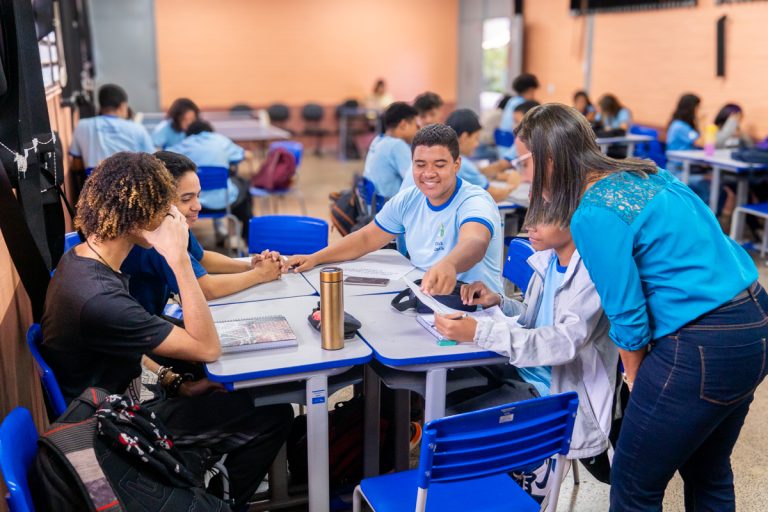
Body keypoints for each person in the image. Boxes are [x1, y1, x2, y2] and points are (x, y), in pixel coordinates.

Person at [515, 103, 766, 511]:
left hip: (702, 340)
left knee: (633, 485)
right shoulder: (647, 174)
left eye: (522, 161)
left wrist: (635, 376)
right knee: (709, 470)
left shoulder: (593, 212)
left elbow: (627, 315)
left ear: (548, 160)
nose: (520, 174)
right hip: (754, 322)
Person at [40, 152, 293, 508]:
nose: (175, 215)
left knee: (232, 396)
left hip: (116, 407)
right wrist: (176, 258)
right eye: (167, 207)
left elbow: (127, 339)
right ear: (138, 215)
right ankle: (216, 502)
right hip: (116, 430)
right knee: (273, 414)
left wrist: (173, 381)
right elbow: (208, 348)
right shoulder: (99, 298)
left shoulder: (82, 259)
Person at [434, 220, 618, 484]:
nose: (529, 225)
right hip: (521, 370)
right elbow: (535, 322)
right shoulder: (547, 262)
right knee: (446, 385)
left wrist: (479, 332)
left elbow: (561, 343)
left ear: (575, 219)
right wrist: (500, 302)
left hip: (552, 392)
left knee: (453, 423)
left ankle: (530, 468)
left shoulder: (591, 274)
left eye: (543, 217)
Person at [288, 123, 503, 294]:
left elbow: (475, 241)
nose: (428, 173)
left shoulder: (474, 200)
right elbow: (366, 239)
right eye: (420, 165)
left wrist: (449, 264)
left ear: (456, 165)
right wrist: (315, 258)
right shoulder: (409, 199)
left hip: (477, 310)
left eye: (439, 165)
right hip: (427, 299)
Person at [121, 151, 283, 315]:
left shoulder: (174, 221)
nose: (197, 206)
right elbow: (205, 289)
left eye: (198, 196)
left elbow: (201, 258)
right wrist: (260, 274)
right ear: (156, 200)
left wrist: (249, 266)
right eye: (186, 199)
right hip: (141, 326)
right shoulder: (155, 236)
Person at [167, 119, 252, 238]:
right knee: (243, 185)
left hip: (191, 204)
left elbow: (163, 157)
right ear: (210, 132)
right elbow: (247, 155)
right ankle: (242, 237)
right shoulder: (221, 140)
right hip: (223, 203)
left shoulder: (184, 144)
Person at [69, 84, 154, 173]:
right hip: (131, 183)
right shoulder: (138, 129)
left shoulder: (82, 125)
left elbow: (76, 165)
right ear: (122, 106)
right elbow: (153, 161)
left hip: (95, 184)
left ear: (101, 105)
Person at [443, 109, 521, 202]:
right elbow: (494, 195)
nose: (477, 144)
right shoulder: (461, 163)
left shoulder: (445, 158)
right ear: (464, 137)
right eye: (476, 138)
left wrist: (496, 176)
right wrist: (513, 185)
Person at [362, 102, 419, 198]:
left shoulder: (378, 140)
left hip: (371, 206)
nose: (417, 130)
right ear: (403, 124)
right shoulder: (396, 145)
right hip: (388, 208)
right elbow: (415, 181)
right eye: (415, 125)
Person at [497, 73, 540, 149]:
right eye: (533, 91)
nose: (534, 95)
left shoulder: (512, 100)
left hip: (502, 140)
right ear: (530, 90)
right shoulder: (523, 105)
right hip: (511, 142)